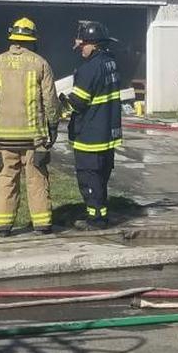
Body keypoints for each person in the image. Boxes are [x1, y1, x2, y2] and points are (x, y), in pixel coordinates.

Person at [0, 17, 60, 237]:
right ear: (32, 39)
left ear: (12, 38)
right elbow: (50, 100)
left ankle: (3, 226)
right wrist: (53, 125)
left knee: (5, 179)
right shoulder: (40, 63)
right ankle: (42, 224)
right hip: (34, 139)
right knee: (37, 179)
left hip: (3, 138)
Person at [65, 20, 129, 230]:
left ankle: (96, 219)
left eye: (82, 45)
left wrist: (63, 101)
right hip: (107, 135)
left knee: (89, 178)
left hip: (90, 136)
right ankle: (101, 213)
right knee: (101, 178)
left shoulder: (89, 68)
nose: (80, 49)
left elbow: (79, 102)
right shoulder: (110, 63)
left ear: (93, 44)